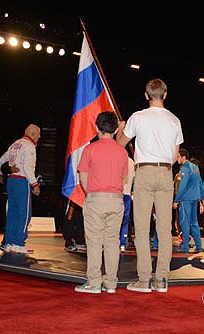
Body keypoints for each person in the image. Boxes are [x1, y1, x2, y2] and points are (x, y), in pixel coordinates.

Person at [116, 78, 184, 293]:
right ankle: (162, 279)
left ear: (146, 95)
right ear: (165, 94)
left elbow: (119, 144)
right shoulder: (174, 120)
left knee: (143, 229)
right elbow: (175, 157)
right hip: (165, 172)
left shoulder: (137, 117)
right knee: (165, 230)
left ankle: (144, 280)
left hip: (144, 172)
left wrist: (121, 129)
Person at [74, 111, 128, 294]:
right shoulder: (122, 152)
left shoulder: (90, 149)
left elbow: (83, 176)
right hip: (116, 200)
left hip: (96, 199)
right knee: (112, 242)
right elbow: (123, 177)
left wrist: (92, 194)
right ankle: (111, 283)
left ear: (96, 128)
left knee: (95, 242)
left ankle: (94, 282)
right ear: (115, 130)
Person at [0, 124, 41, 254]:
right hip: (22, 182)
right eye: (38, 134)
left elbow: (0, 161)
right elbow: (27, 168)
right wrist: (35, 184)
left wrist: (0, 173)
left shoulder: (15, 144)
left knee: (11, 213)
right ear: (33, 134)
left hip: (11, 181)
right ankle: (18, 243)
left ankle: (9, 243)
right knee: (24, 213)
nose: (40, 136)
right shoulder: (29, 146)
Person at [173, 148, 204, 253]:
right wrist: (203, 198)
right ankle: (199, 245)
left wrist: (177, 200)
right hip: (194, 199)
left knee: (184, 222)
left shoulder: (185, 168)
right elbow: (200, 183)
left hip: (186, 199)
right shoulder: (195, 167)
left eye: (178, 157)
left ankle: (185, 246)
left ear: (183, 157)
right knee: (194, 222)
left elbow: (182, 185)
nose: (177, 159)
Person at [120, 157, 135, 252]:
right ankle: (122, 243)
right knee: (125, 220)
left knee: (113, 219)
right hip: (127, 194)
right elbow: (134, 179)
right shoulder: (131, 162)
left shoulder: (117, 158)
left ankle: (111, 243)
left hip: (117, 194)